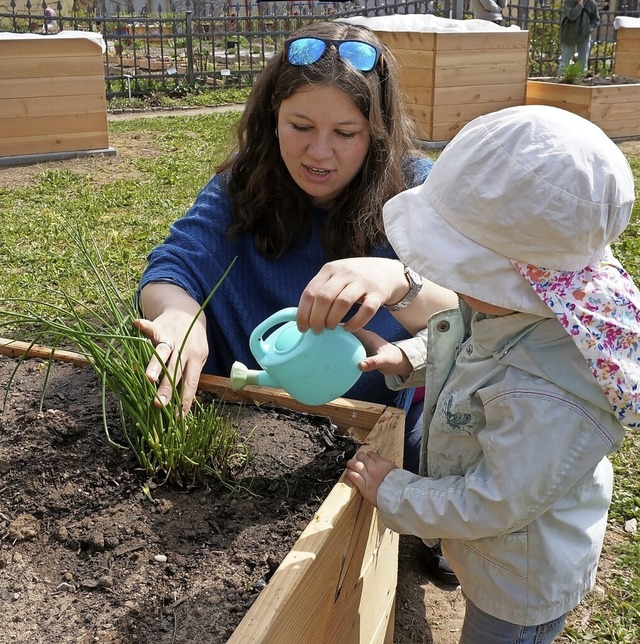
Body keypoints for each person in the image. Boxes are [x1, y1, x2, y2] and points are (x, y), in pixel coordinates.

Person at [297, 104, 640, 641]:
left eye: (462, 266)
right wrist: (412, 357)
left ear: (519, 277)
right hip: (490, 548)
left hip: (519, 578)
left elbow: (492, 502)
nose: (450, 280)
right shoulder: (522, 307)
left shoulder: (551, 393)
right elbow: (472, 339)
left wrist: (395, 492)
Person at [135, 21, 455, 477]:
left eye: (346, 133)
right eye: (300, 126)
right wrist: (179, 316)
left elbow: (469, 311)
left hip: (368, 436)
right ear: (272, 117)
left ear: (378, 131)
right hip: (240, 430)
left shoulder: (415, 189)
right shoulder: (240, 185)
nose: (319, 153)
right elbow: (173, 266)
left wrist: (397, 281)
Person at [558, 0, 599, 75]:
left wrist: (589, 29)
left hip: (584, 36)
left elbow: (596, 20)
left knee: (583, 62)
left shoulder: (591, 3)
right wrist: (579, 5)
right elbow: (572, 16)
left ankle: (580, 80)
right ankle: (561, 78)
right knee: (565, 60)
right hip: (569, 34)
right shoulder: (569, 2)